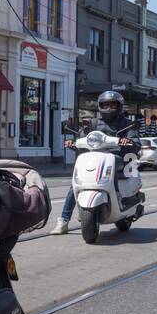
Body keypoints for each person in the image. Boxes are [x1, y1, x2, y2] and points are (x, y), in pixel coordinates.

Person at [49, 91, 138, 235]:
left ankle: (118, 199)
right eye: (106, 104)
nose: (109, 108)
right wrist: (73, 143)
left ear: (119, 106)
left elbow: (136, 143)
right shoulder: (93, 123)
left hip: (116, 157)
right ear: (100, 106)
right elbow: (83, 138)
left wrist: (128, 142)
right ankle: (63, 221)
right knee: (75, 184)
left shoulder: (127, 124)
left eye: (112, 105)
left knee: (113, 162)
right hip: (94, 158)